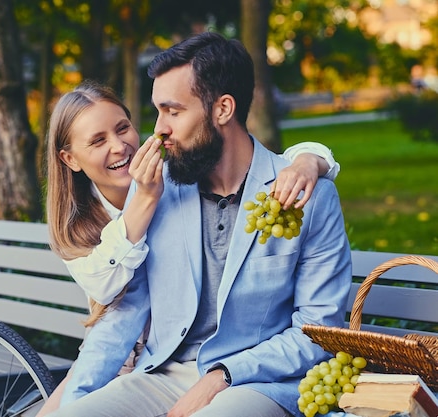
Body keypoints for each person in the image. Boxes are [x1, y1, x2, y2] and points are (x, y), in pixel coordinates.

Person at [45, 32, 351, 417]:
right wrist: (73, 404)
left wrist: (222, 375)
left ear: (222, 109)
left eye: (172, 112)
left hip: (259, 383)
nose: (158, 129)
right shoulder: (159, 191)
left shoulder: (307, 194)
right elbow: (123, 315)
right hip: (162, 377)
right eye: (157, 112)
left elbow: (317, 331)